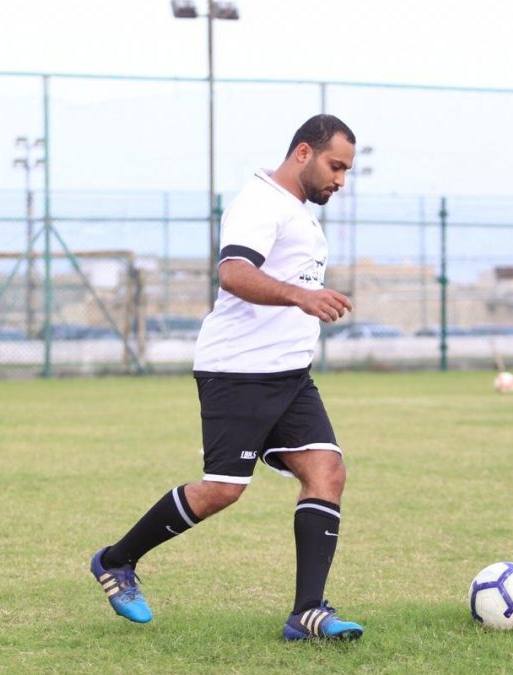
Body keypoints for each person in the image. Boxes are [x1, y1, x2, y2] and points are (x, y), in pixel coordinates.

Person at [90, 114, 362, 641]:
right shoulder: (260, 202)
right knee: (221, 490)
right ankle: (116, 560)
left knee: (327, 471)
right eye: (336, 166)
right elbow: (234, 273)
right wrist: (301, 296)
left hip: (290, 374)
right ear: (303, 153)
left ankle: (307, 613)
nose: (340, 180)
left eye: (347, 170)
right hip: (239, 371)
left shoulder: (299, 213)